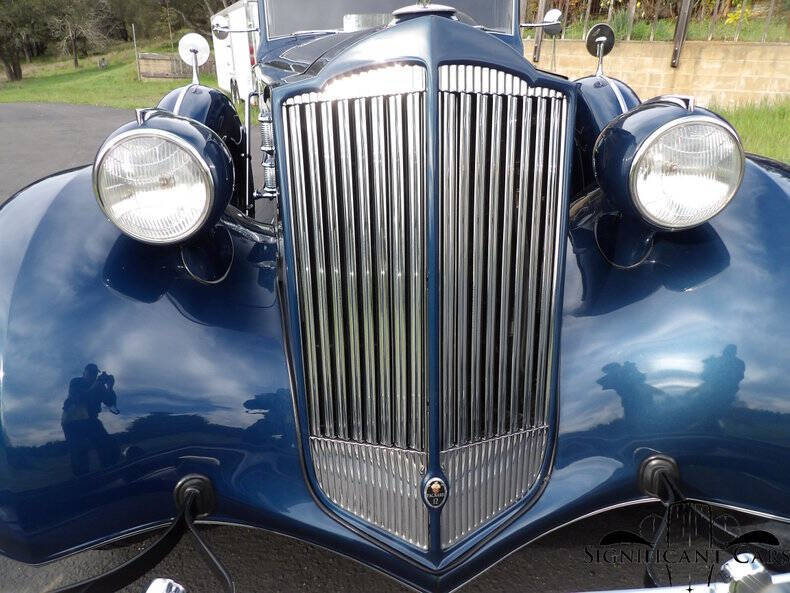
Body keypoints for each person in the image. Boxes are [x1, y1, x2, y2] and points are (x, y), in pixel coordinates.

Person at [61, 364, 121, 476]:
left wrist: (110, 386)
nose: (93, 375)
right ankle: (83, 481)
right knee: (79, 452)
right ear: (84, 373)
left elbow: (111, 404)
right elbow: (77, 398)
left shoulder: (100, 387)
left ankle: (108, 472)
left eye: (95, 373)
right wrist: (97, 384)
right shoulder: (76, 382)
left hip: (90, 420)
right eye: (90, 372)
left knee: (108, 445)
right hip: (72, 422)